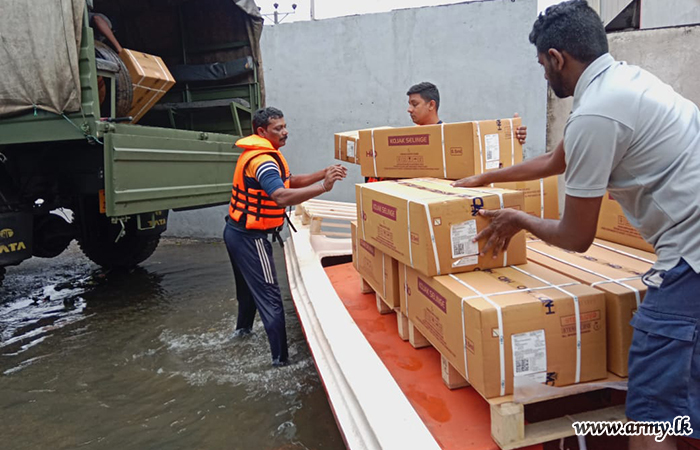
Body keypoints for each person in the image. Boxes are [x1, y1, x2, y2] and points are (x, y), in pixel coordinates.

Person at [454, 1, 700, 448]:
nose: (544, 76)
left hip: (691, 260)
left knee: (651, 413)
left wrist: (518, 219)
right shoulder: (626, 82)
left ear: (557, 58)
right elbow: (556, 160)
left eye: (541, 66)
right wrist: (487, 178)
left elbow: (576, 237)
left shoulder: (596, 114)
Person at [224, 107, 347, 366]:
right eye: (278, 128)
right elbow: (280, 196)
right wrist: (323, 187)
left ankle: (242, 335)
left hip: (236, 232)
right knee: (271, 298)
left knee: (248, 293)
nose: (285, 132)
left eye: (285, 126)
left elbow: (289, 181)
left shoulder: (263, 155)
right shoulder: (264, 161)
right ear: (261, 132)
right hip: (251, 238)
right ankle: (280, 363)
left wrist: (322, 172)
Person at [365, 82, 528, 183]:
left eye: (414, 104)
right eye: (409, 104)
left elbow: (488, 157)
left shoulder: (452, 139)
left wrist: (514, 140)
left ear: (431, 105)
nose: (409, 109)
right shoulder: (403, 141)